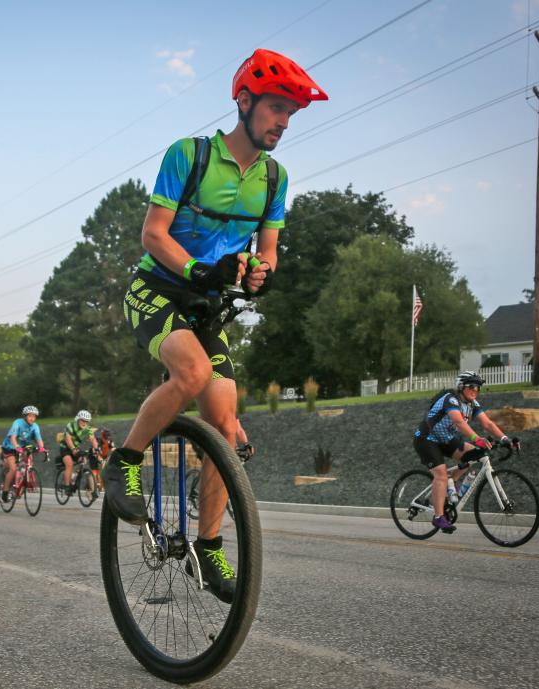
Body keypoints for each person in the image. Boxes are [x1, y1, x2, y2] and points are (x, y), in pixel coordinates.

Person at [101, 49, 327, 602]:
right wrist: (205, 269)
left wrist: (257, 275)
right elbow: (153, 235)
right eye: (276, 108)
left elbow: (268, 251)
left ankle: (209, 546)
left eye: (291, 114)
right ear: (245, 102)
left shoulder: (274, 178)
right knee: (191, 373)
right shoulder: (190, 155)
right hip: (156, 288)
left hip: (206, 308)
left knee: (226, 425)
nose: (283, 122)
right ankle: (125, 462)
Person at [413, 371, 514, 534]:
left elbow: (487, 423)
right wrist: (476, 438)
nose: (475, 390)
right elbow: (459, 422)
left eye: (478, 387)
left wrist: (505, 438)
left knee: (475, 454)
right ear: (461, 387)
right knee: (440, 474)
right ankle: (438, 517)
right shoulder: (451, 399)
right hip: (426, 439)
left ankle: (446, 489)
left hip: (446, 439)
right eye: (471, 386)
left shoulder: (472, 404)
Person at [0, 406, 46, 503]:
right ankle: (5, 491)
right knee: (13, 469)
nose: (32, 418)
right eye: (30, 416)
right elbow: (13, 437)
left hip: (24, 446)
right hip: (10, 447)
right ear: (25, 416)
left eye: (34, 416)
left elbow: (39, 439)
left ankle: (25, 476)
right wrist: (16, 446)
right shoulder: (17, 423)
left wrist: (42, 448)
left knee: (29, 457)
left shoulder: (35, 426)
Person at [58, 410, 98, 496]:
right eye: (82, 420)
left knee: (84, 461)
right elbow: (68, 439)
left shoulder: (88, 428)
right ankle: (67, 486)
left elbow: (93, 439)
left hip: (75, 447)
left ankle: (75, 477)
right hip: (65, 448)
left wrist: (96, 449)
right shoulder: (71, 425)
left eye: (86, 421)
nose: (84, 423)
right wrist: (72, 448)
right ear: (78, 419)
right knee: (69, 464)